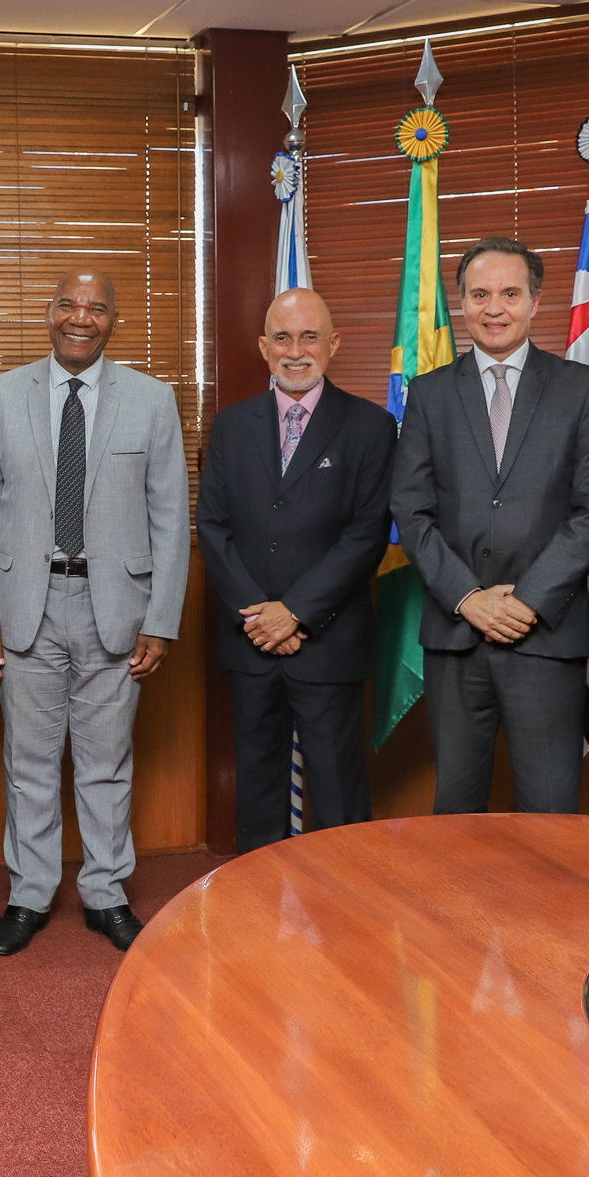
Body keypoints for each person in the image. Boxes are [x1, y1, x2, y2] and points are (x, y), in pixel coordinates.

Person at [0, 269, 189, 956]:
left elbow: (170, 519)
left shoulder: (152, 400)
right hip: (23, 605)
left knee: (106, 763)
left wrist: (161, 619)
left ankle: (106, 892)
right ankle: (29, 895)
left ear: (114, 320)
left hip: (115, 608)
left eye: (96, 308)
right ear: (49, 311)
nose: (80, 318)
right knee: (29, 763)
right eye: (68, 304)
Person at [391, 237, 589, 814]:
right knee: (457, 809)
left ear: (535, 302)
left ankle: (550, 911)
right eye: (480, 294)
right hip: (455, 636)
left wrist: (530, 601)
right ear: (461, 303)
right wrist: (468, 598)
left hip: (546, 635)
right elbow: (411, 511)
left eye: (510, 294)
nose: (495, 308)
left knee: (550, 811)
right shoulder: (429, 394)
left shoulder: (581, 388)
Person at [196, 288, 396, 851]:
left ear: (333, 344)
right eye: (282, 338)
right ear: (263, 347)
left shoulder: (371, 427)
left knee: (336, 793)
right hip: (250, 640)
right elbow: (212, 527)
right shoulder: (231, 426)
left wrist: (296, 614)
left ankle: (343, 919)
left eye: (309, 337)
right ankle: (260, 921)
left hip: (328, 642)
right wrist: (260, 617)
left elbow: (367, 534)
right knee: (256, 790)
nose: (296, 350)